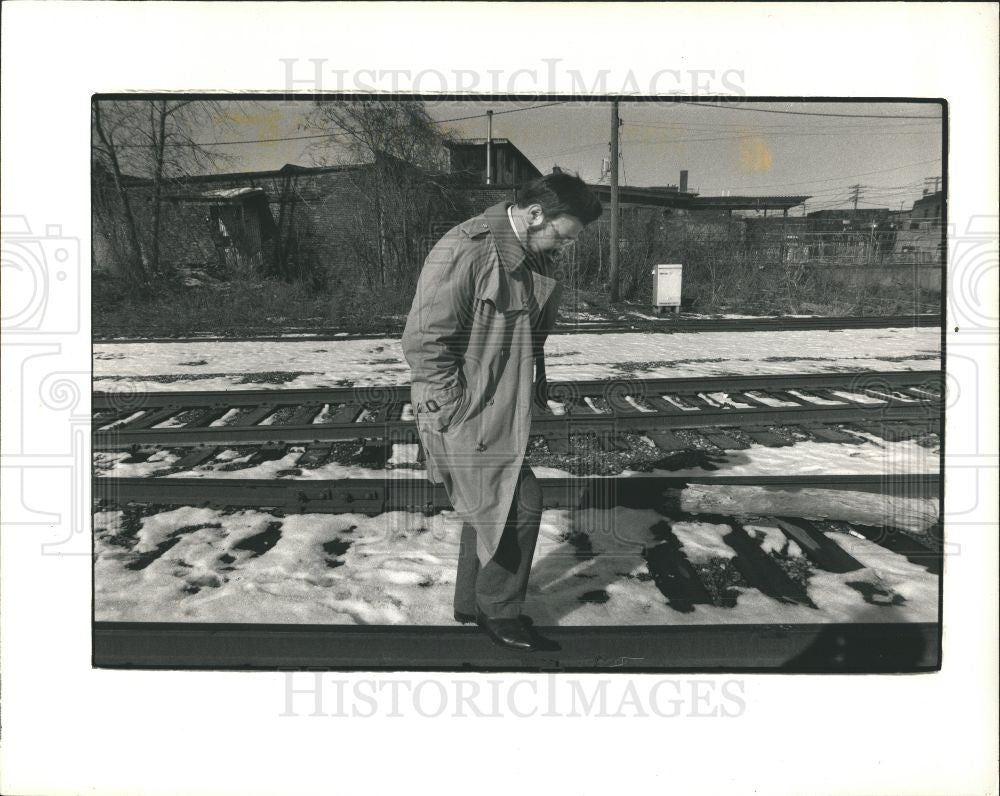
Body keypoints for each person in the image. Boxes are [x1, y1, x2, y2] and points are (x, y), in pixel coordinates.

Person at [402, 171, 602, 651]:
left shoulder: (518, 252)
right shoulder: (469, 250)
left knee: (495, 501)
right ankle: (500, 612)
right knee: (520, 500)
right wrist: (453, 407)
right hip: (467, 408)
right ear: (535, 214)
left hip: (495, 407)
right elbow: (425, 341)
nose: (566, 246)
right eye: (563, 234)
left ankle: (473, 604)